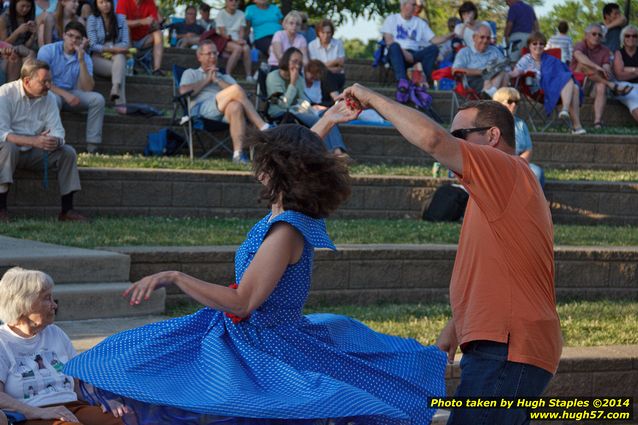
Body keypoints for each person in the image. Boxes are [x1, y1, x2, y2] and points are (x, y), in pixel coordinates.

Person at [64, 117, 447, 425]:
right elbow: (300, 153)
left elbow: (243, 301)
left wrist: (175, 276)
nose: (256, 163)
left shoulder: (285, 231)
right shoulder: (287, 212)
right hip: (249, 332)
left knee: (149, 373)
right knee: (121, 358)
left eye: (263, 157)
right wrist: (327, 120)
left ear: (276, 168)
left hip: (261, 343)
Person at [339, 83, 562, 425]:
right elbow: (497, 271)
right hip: (502, 344)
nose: (453, 141)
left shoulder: (506, 168)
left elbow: (432, 140)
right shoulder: (495, 190)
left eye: (461, 134)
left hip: (507, 347)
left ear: (491, 135)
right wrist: (453, 330)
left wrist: (369, 98)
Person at [0, 267, 128, 425]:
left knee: (125, 419)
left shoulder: (55, 333)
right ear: (24, 305)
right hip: (32, 413)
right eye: (47, 298)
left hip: (73, 407)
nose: (54, 305)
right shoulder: (3, 341)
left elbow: (79, 380)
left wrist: (103, 399)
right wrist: (37, 412)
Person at [0, 59, 85, 222]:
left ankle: (67, 210)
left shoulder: (50, 98)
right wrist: (33, 141)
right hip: (8, 152)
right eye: (44, 81)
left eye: (50, 81)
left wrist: (54, 141)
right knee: (9, 147)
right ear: (27, 81)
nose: (48, 85)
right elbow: (1, 132)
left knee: (67, 152)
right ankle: (1, 209)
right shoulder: (4, 94)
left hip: (35, 153)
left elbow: (58, 131)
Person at [180, 40, 271, 164]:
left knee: (236, 106)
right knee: (235, 89)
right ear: (199, 57)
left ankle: (237, 155)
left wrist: (217, 80)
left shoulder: (225, 76)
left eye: (215, 53)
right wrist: (207, 80)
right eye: (209, 54)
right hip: (200, 111)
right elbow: (183, 91)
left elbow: (241, 95)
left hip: (223, 113)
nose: (213, 57)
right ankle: (263, 126)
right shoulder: (191, 73)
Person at [37, 21, 105, 153]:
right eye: (70, 35)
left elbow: (88, 88)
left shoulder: (85, 58)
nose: (73, 40)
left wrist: (81, 60)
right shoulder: (47, 50)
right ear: (63, 35)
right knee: (54, 99)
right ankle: (51, 142)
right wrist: (65, 94)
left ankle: (93, 147)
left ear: (82, 40)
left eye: (78, 37)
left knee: (98, 99)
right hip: (50, 92)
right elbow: (42, 82)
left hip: (72, 94)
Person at [267, 47, 347, 155]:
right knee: (322, 121)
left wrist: (312, 108)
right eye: (294, 62)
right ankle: (331, 152)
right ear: (286, 60)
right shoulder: (273, 77)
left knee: (328, 114)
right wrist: (292, 82)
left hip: (298, 110)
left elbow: (303, 100)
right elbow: (284, 104)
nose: (297, 66)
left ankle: (337, 150)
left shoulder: (299, 78)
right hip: (280, 111)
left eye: (300, 63)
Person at [509, 31, 585, 135]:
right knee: (570, 81)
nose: (538, 46)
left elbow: (561, 70)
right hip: (538, 90)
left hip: (556, 87)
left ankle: (570, 117)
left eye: (541, 44)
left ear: (544, 46)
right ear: (529, 46)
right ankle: (574, 123)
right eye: (534, 44)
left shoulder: (550, 59)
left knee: (574, 86)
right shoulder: (526, 59)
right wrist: (509, 72)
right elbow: (516, 72)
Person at [571, 23, 630, 129]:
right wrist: (596, 67)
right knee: (583, 64)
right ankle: (611, 85)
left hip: (593, 83)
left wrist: (606, 70)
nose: (597, 37)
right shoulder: (580, 44)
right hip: (576, 84)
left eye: (600, 35)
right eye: (594, 34)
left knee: (601, 85)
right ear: (586, 35)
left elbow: (606, 66)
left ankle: (597, 122)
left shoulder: (605, 50)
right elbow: (578, 56)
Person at [381, 0, 454, 86]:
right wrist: (405, 53)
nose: (416, 7)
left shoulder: (420, 22)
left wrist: (450, 35)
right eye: (413, 4)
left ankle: (429, 79)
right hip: (396, 53)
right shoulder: (391, 19)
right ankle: (403, 83)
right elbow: (389, 41)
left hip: (414, 54)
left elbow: (434, 39)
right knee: (394, 46)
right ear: (405, 5)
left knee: (433, 48)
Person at [493, 87, 545, 188]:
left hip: (519, 163)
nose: (514, 105)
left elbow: (528, 149)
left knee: (537, 172)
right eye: (510, 101)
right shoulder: (490, 123)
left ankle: (530, 203)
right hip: (497, 163)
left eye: (516, 102)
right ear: (498, 103)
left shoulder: (521, 124)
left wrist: (518, 164)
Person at [86, 0, 129, 111]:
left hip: (116, 58)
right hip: (97, 59)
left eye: (107, 1)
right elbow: (92, 45)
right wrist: (111, 48)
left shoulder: (121, 19)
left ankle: (115, 87)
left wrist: (113, 49)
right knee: (121, 67)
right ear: (96, 4)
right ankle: (120, 104)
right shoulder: (92, 19)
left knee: (120, 57)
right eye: (101, 2)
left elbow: (126, 42)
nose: (105, 5)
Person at [452, 24, 508, 98]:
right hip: (473, 81)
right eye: (482, 37)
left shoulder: (494, 50)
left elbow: (505, 65)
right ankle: (496, 101)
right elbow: (455, 70)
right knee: (502, 77)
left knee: (505, 73)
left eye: (488, 38)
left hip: (493, 78)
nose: (485, 41)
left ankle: (489, 95)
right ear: (474, 37)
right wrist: (482, 72)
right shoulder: (465, 52)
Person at [115, 0, 163, 75]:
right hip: (127, 41)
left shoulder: (150, 2)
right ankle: (130, 65)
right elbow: (120, 22)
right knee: (126, 28)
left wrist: (155, 24)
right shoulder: (123, 1)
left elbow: (155, 23)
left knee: (158, 33)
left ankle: (157, 69)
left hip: (143, 40)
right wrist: (141, 22)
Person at [215, 0, 253, 82]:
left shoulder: (241, 14)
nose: (234, 2)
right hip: (223, 39)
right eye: (231, 0)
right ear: (226, 2)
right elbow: (222, 33)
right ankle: (227, 74)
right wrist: (236, 42)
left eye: (236, 1)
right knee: (238, 48)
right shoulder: (221, 13)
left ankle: (249, 75)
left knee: (246, 48)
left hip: (236, 40)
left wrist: (241, 40)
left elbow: (241, 31)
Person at [0, 0, 37, 83]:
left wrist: (33, 35)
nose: (25, 9)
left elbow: (27, 46)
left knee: (28, 57)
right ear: (15, 4)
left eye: (28, 7)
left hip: (23, 51)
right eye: (22, 6)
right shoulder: (4, 18)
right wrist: (17, 32)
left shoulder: (29, 18)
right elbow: (2, 45)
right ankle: (10, 88)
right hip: (7, 53)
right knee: (19, 57)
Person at [308, 18, 345, 93]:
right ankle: (335, 97)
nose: (326, 35)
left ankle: (335, 98)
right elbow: (314, 67)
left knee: (327, 76)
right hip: (319, 77)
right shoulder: (312, 45)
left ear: (332, 33)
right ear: (318, 33)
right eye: (323, 32)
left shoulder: (338, 43)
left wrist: (322, 68)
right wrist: (335, 61)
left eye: (328, 32)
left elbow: (341, 64)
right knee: (326, 76)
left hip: (337, 76)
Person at [612, 24, 638, 123]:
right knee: (633, 97)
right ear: (623, 38)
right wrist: (635, 70)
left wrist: (627, 69)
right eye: (627, 35)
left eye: (635, 36)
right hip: (623, 86)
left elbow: (622, 71)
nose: (631, 38)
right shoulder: (618, 53)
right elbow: (619, 75)